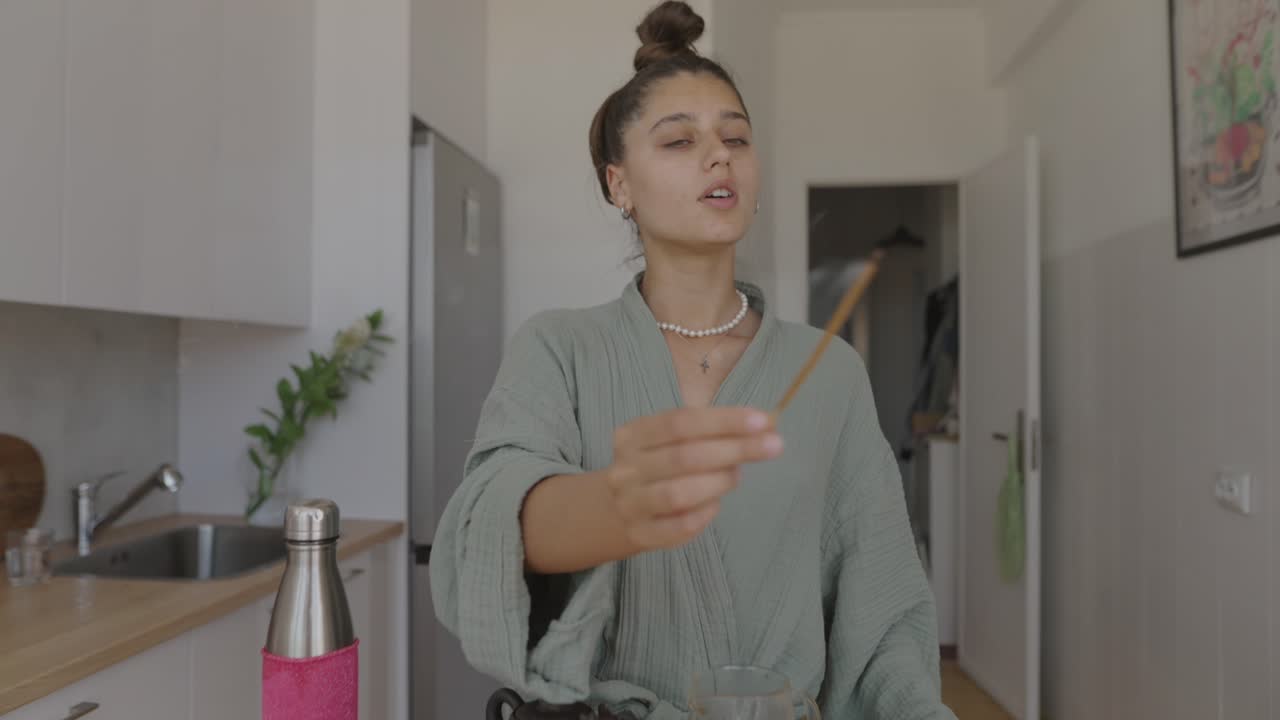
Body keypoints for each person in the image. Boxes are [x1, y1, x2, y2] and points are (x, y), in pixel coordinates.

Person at [430, 3, 955, 718]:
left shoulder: (830, 371)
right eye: (679, 142)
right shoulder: (559, 347)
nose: (720, 156)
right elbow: (489, 520)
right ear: (619, 185)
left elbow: (885, 607)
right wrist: (620, 503)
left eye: (736, 138)